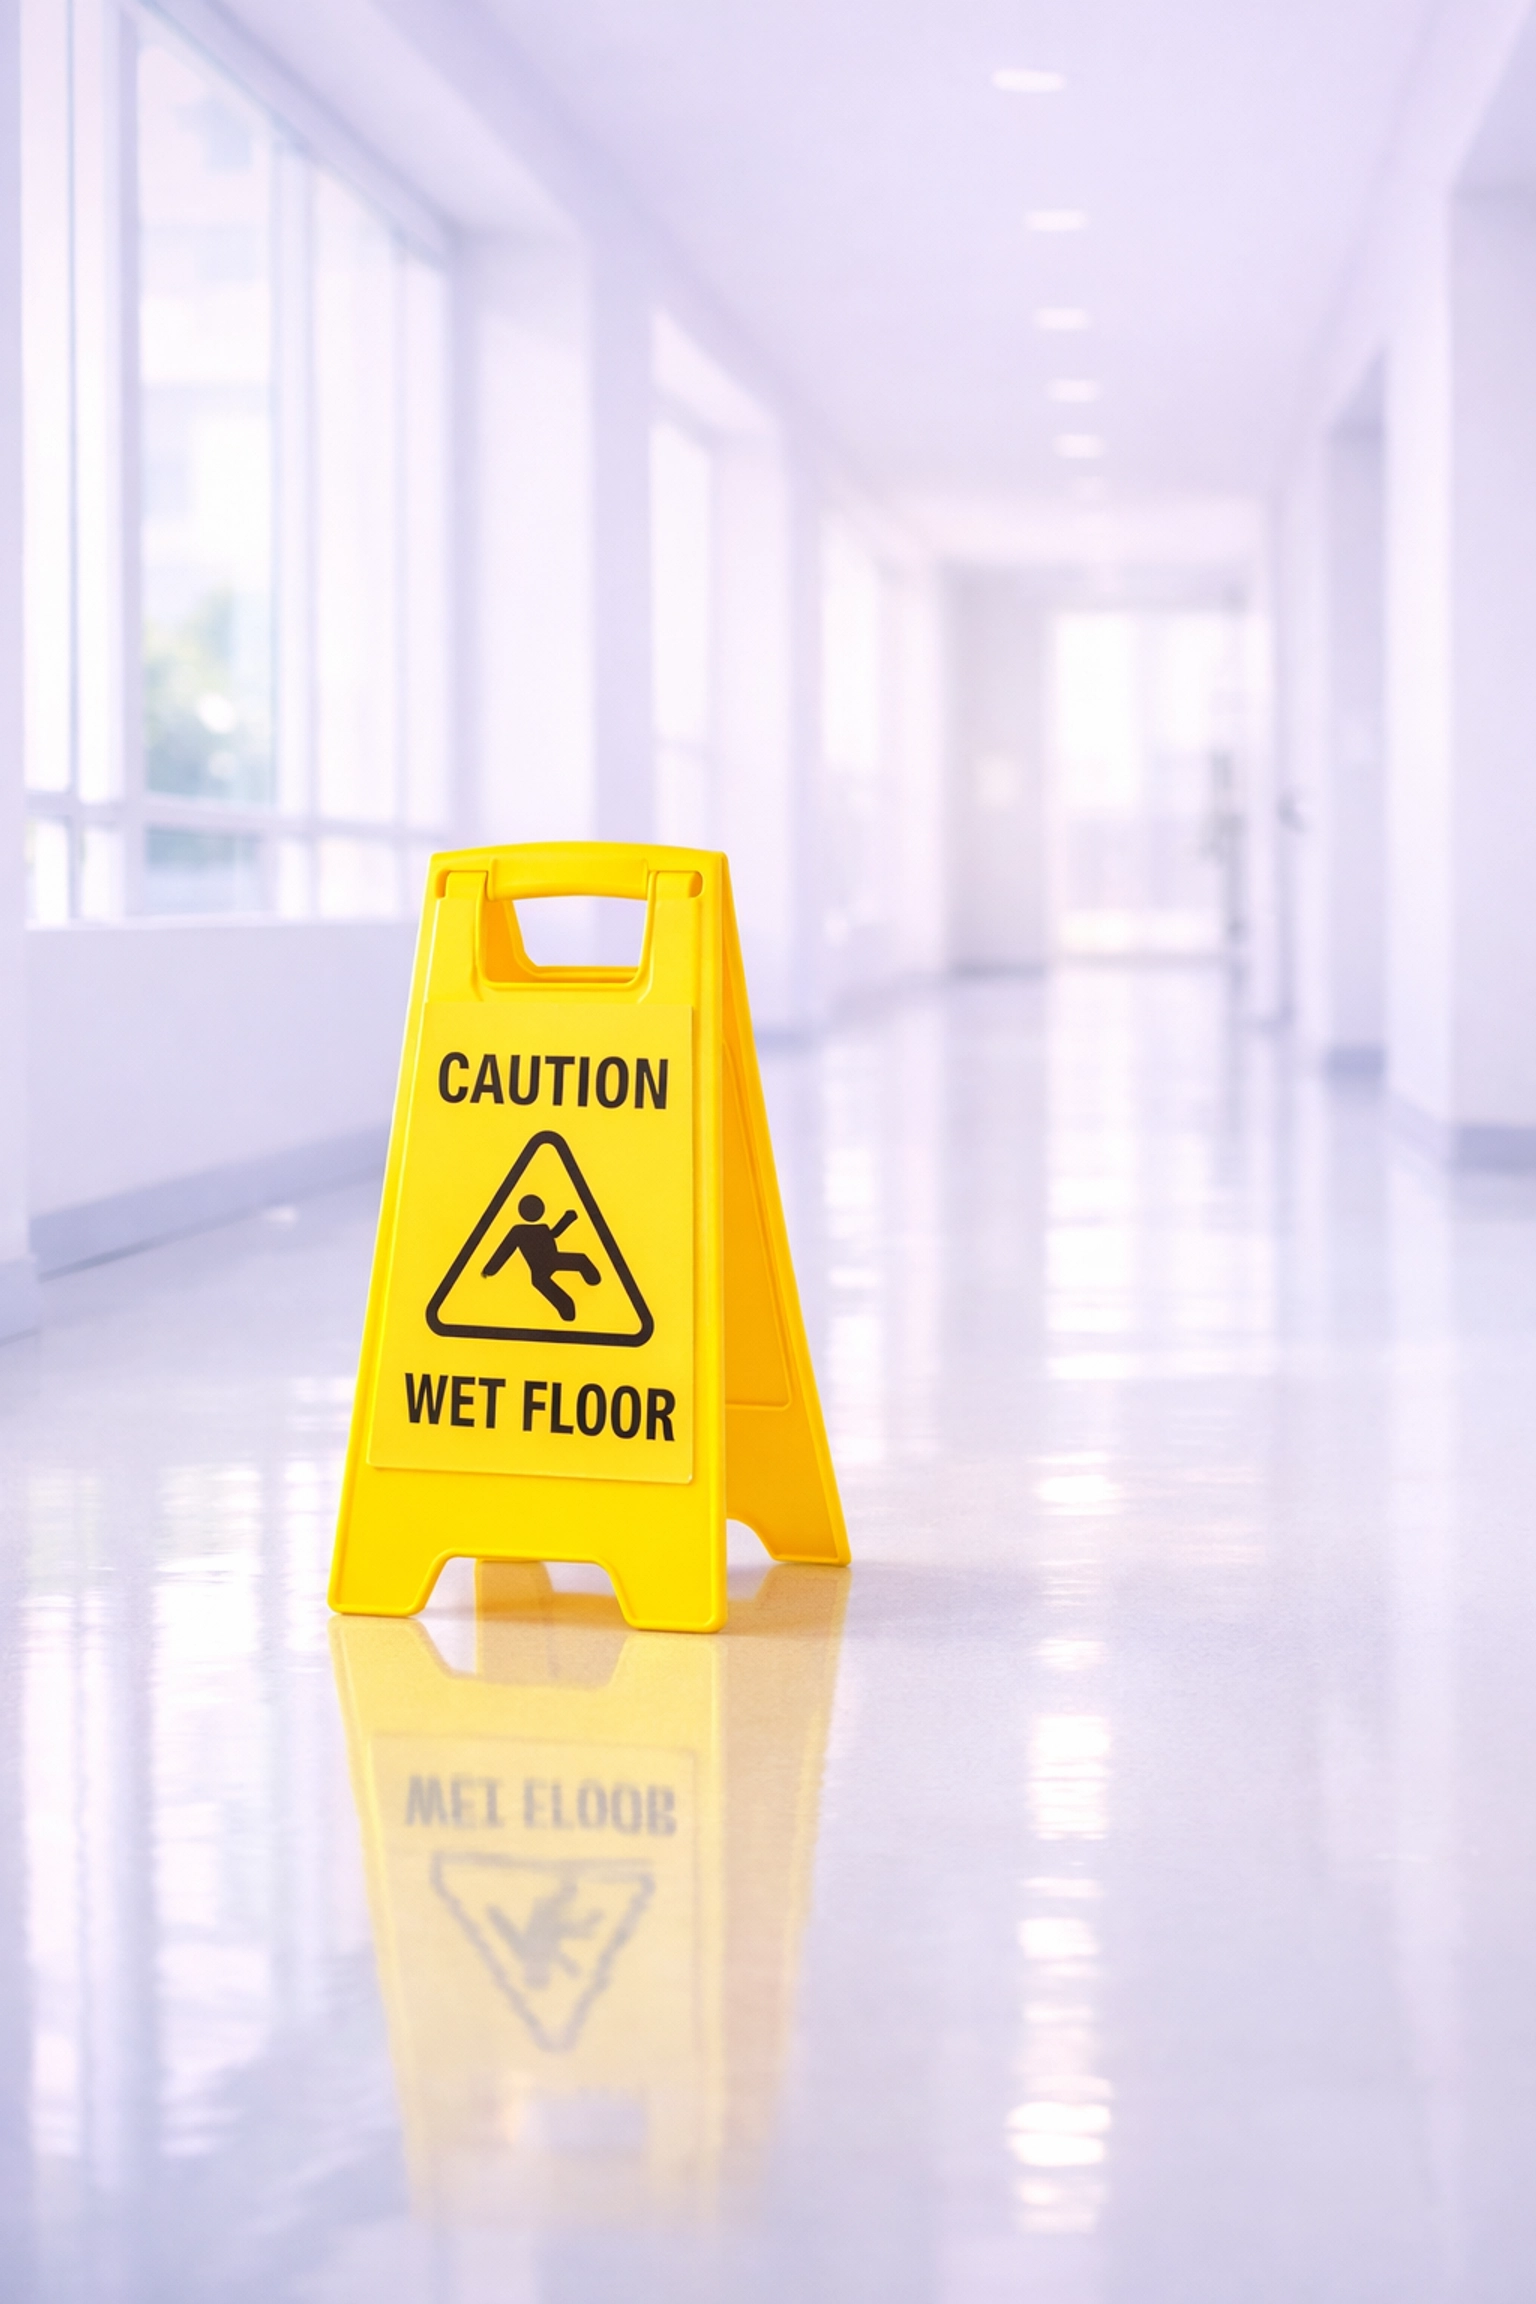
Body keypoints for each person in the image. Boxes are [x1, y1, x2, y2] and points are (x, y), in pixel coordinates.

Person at [482, 1194, 600, 1321]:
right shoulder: (518, 1231)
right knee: (564, 1301)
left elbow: (555, 1233)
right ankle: (567, 1311)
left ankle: (593, 1279)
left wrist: (567, 1219)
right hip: (539, 1270)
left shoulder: (541, 1227)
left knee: (581, 1260)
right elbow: (505, 1251)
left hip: (553, 1258)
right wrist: (490, 1269)